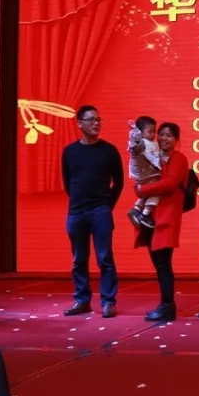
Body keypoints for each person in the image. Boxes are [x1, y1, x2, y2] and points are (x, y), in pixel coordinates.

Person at [61, 105, 124, 318]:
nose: (96, 123)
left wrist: (107, 205)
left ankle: (108, 302)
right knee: (79, 258)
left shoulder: (109, 151)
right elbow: (68, 182)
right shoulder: (70, 151)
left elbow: (119, 182)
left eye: (98, 119)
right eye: (91, 120)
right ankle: (82, 300)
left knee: (104, 257)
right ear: (79, 123)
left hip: (100, 210)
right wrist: (77, 200)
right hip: (76, 211)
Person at [133, 123, 190, 322]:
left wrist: (143, 190)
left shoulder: (179, 158)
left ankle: (168, 306)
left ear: (176, 140)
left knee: (163, 263)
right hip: (151, 217)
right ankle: (166, 305)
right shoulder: (154, 157)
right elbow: (143, 178)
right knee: (159, 264)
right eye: (161, 134)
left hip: (166, 217)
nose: (164, 138)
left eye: (169, 135)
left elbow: (170, 183)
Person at [126, 116, 162, 229]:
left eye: (154, 132)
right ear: (141, 132)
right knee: (158, 191)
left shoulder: (154, 143)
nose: (152, 135)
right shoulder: (141, 143)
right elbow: (134, 146)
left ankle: (136, 209)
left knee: (148, 193)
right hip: (143, 174)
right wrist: (135, 131)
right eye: (149, 132)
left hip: (147, 174)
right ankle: (145, 215)